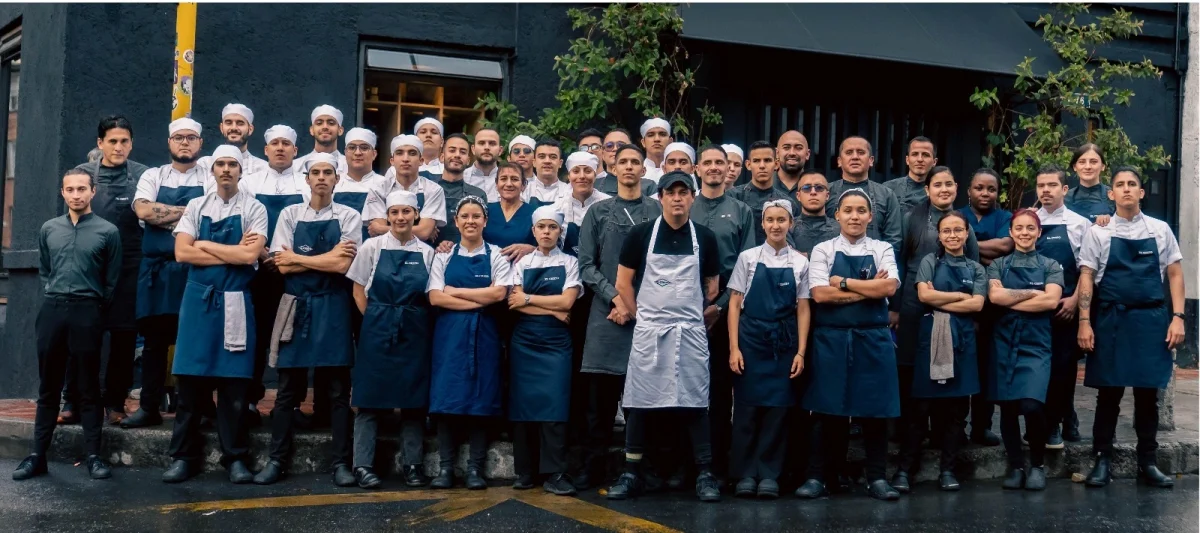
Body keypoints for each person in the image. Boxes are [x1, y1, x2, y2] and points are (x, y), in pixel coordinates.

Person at [606, 170, 723, 503]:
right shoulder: (640, 235)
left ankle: (704, 474)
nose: (676, 198)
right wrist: (643, 317)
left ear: (692, 198)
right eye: (670, 192)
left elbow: (712, 288)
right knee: (640, 404)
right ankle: (631, 474)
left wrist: (687, 316)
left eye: (683, 192)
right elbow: (623, 284)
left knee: (696, 404)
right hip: (650, 332)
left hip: (690, 333)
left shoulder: (706, 238)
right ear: (660, 197)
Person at [162, 145, 269, 484]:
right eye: (220, 164)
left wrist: (204, 245)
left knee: (234, 388)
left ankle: (235, 458)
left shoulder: (255, 208)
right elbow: (181, 252)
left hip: (236, 301)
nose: (225, 169)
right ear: (212, 170)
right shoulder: (196, 206)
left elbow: (251, 254)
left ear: (241, 171)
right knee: (190, 385)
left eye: (232, 165)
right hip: (198, 303)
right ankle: (183, 457)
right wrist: (233, 253)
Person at [254, 153, 362, 487]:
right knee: (287, 390)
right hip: (297, 306)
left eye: (327, 172)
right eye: (315, 172)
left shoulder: (349, 216)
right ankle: (276, 460)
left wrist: (299, 258)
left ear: (336, 179)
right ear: (307, 179)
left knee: (338, 391)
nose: (321, 178)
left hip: (334, 307)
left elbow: (344, 267)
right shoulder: (289, 214)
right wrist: (325, 259)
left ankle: (342, 463)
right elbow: (281, 266)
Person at [1077, 167, 1184, 489]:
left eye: (1132, 184)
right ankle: (1102, 461)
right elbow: (1086, 277)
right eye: (1119, 185)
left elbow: (1176, 275)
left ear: (1141, 192)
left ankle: (1148, 464)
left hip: (1151, 320)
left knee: (1147, 394)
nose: (1126, 189)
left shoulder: (1161, 230)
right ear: (1110, 194)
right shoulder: (1099, 233)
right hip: (1111, 319)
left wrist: (1178, 317)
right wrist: (1085, 321)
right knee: (1109, 395)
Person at [13, 170, 121, 481]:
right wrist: (54, 295)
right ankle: (37, 456)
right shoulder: (49, 229)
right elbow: (45, 270)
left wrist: (93, 308)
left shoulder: (107, 232)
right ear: (63, 192)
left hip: (88, 310)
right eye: (70, 189)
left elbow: (112, 281)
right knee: (48, 387)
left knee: (88, 386)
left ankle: (93, 457)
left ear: (92, 191)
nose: (76, 194)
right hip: (53, 310)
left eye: (82, 189)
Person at [796, 188, 900, 502]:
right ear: (837, 215)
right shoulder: (823, 249)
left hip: (874, 339)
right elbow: (819, 295)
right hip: (831, 339)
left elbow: (890, 287)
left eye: (861, 211)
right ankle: (819, 477)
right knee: (827, 410)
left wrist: (842, 282)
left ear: (870, 216)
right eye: (848, 210)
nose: (854, 216)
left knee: (875, 412)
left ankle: (878, 478)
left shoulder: (883, 247)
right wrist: (869, 290)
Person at [576, 144, 662, 489]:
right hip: (604, 315)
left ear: (644, 170)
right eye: (623, 161)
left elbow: (663, 264)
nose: (628, 167)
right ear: (612, 168)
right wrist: (616, 298)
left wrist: (636, 306)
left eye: (635, 162)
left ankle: (642, 470)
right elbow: (586, 265)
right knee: (599, 402)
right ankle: (591, 467)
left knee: (644, 403)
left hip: (648, 315)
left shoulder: (657, 211)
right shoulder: (598, 212)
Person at [346, 190, 435, 490]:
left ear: (416, 216)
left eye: (406, 212)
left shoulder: (427, 252)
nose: (400, 218)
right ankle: (362, 465)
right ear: (387, 216)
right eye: (395, 212)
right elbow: (358, 291)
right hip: (377, 328)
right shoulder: (371, 247)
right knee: (368, 400)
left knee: (413, 402)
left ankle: (413, 465)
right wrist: (374, 319)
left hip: (414, 329)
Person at [122, 118, 208, 429]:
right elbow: (143, 211)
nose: (185, 142)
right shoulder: (152, 175)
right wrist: (192, 212)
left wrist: (168, 215)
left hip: (196, 269)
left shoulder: (210, 176)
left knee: (195, 339)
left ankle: (197, 407)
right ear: (169, 143)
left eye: (191, 137)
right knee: (155, 342)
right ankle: (149, 407)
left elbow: (213, 215)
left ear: (200, 143)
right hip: (156, 271)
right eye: (179, 138)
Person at [891, 211, 986, 494]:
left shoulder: (977, 269)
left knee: (956, 411)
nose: (953, 235)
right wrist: (960, 297)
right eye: (947, 231)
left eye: (958, 230)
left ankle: (948, 469)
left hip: (963, 342)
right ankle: (905, 471)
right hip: (931, 338)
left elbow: (978, 305)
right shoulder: (929, 262)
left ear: (967, 233)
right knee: (920, 410)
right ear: (939, 235)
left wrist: (942, 300)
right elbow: (924, 296)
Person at [726, 199, 811, 500]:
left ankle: (770, 474)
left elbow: (803, 308)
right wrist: (734, 348)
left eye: (781, 220)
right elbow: (735, 304)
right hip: (751, 338)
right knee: (747, 409)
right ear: (762, 224)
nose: (776, 225)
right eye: (770, 220)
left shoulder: (801, 263)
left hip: (784, 342)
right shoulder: (748, 258)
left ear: (791, 223)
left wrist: (800, 351)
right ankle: (745, 474)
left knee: (778, 411)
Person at [427, 196, 513, 490]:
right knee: (447, 399)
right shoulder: (443, 257)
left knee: (481, 399)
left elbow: (499, 295)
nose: (471, 221)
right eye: (465, 216)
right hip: (449, 336)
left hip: (485, 335)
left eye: (477, 216)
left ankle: (476, 469)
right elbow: (435, 297)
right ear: (456, 221)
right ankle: (445, 469)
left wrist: (456, 292)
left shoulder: (498, 255)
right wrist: (478, 298)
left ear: (485, 221)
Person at [893, 167, 979, 446]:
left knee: (951, 366)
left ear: (956, 187)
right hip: (913, 300)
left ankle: (947, 432)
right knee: (910, 367)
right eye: (937, 184)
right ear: (927, 189)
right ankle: (911, 430)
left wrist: (968, 304)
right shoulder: (911, 218)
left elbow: (974, 262)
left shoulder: (964, 222)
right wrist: (895, 307)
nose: (944, 189)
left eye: (949, 184)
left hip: (954, 307)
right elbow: (900, 261)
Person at [71, 116, 148, 426]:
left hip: (130, 265)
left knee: (124, 337)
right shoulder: (83, 174)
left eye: (124, 141)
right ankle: (74, 401)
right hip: (89, 266)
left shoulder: (143, 175)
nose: (119, 147)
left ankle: (115, 402)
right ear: (100, 143)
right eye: (112, 141)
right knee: (81, 337)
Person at [690, 145, 756, 482]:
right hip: (685, 313)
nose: (715, 168)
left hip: (726, 313)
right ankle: (684, 466)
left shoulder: (742, 211)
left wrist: (719, 307)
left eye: (721, 163)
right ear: (697, 168)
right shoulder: (686, 205)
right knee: (684, 391)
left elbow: (747, 268)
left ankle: (717, 467)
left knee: (719, 392)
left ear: (730, 168)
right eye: (709, 163)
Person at [508, 206, 583, 496]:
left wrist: (530, 299)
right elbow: (513, 302)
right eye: (542, 227)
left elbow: (568, 303)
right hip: (525, 339)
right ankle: (524, 472)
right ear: (534, 231)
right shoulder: (523, 261)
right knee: (522, 405)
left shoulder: (570, 262)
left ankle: (555, 473)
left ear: (560, 232)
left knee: (555, 406)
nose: (547, 232)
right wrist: (550, 309)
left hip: (556, 343)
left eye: (553, 227)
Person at [986, 209, 1062, 491]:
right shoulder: (998, 265)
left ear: (1039, 232)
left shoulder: (1051, 265)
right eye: (1019, 228)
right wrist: (1034, 293)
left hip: (1036, 341)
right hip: (1004, 339)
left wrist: (1010, 298)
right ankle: (1017, 466)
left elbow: (1051, 302)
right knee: (1007, 407)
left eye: (1031, 228)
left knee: (1031, 405)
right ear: (1011, 231)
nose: (1025, 233)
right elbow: (994, 296)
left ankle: (1038, 465)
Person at [241, 125, 310, 425]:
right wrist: (262, 253)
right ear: (265, 149)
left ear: (296, 150)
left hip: (294, 271)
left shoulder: (307, 185)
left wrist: (285, 259)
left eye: (286, 144)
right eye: (274, 144)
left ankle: (291, 403)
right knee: (254, 336)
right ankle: (250, 400)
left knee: (291, 338)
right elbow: (243, 222)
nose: (280, 148)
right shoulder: (249, 182)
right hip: (257, 270)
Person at [1034, 165, 1090, 448]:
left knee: (1064, 370)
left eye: (1052, 185)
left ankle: (1060, 420)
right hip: (1035, 309)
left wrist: (1074, 301)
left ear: (1064, 189)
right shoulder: (1029, 220)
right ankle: (1052, 421)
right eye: (1041, 185)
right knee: (1040, 369)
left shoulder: (1080, 224)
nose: (1046, 190)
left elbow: (1088, 270)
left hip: (1066, 308)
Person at [960, 168, 1011, 447]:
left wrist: (967, 246)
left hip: (993, 306)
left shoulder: (1005, 218)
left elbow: (1006, 245)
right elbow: (947, 242)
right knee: (958, 363)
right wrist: (983, 252)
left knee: (987, 365)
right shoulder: (957, 215)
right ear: (969, 190)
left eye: (991, 189)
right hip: (959, 300)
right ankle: (955, 427)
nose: (985, 193)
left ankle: (982, 426)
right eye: (979, 188)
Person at [825, 137, 903, 254]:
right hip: (831, 265)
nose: (855, 157)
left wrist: (880, 265)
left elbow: (894, 240)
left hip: (875, 267)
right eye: (849, 152)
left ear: (871, 160)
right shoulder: (825, 192)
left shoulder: (886, 195)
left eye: (861, 152)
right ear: (839, 161)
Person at [364, 134, 447, 243]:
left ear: (421, 160)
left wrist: (382, 229)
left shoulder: (434, 190)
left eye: (412, 153)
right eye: (399, 153)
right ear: (392, 161)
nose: (405, 159)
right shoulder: (378, 190)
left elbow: (424, 232)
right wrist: (419, 230)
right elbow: (378, 236)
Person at [432, 133, 487, 249]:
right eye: (452, 150)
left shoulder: (478, 195)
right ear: (442, 157)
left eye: (462, 152)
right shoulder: (428, 189)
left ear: (468, 160)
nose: (457, 155)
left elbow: (480, 234)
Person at [552, 152, 611, 258]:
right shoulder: (557, 208)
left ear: (595, 175)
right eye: (576, 171)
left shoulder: (609, 205)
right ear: (569, 176)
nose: (582, 176)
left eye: (588, 171)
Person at [729, 141, 789, 244]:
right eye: (756, 161)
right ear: (748, 164)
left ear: (776, 164)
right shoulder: (732, 197)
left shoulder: (787, 202)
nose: (762, 166)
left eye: (767, 160)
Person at [333, 127, 384, 242]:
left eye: (364, 148)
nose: (357, 153)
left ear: (374, 154)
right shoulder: (333, 184)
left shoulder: (385, 184)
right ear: (345, 153)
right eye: (352, 148)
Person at [481, 162, 537, 263]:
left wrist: (532, 249)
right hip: (487, 269)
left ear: (523, 185)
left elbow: (548, 248)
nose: (509, 184)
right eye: (503, 179)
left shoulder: (534, 214)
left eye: (514, 179)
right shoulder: (485, 211)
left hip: (522, 271)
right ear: (496, 184)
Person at [196, 103, 268, 176]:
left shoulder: (262, 169)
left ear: (250, 129)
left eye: (240, 123)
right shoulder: (204, 165)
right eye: (228, 123)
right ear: (221, 128)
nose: (234, 128)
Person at [787, 171, 840, 256]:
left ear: (827, 195)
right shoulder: (788, 228)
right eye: (806, 188)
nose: (813, 192)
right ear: (798, 196)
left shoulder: (840, 230)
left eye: (819, 188)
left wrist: (805, 256)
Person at [595, 128, 656, 197]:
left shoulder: (648, 186)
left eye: (621, 145)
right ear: (603, 155)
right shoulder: (593, 186)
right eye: (609, 146)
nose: (615, 149)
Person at [883, 137, 936, 212]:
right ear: (907, 160)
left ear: (934, 162)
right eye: (915, 154)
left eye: (925, 155)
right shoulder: (888, 189)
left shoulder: (938, 191)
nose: (920, 159)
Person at [1065, 143, 1114, 224]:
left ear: (1103, 166)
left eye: (1093, 162)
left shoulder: (1113, 196)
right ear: (1074, 167)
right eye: (1082, 162)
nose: (1088, 167)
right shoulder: (1065, 197)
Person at [292, 104, 348, 174]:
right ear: (312, 130)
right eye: (319, 123)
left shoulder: (350, 167)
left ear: (340, 130)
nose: (325, 127)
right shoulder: (295, 167)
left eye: (331, 123)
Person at [772, 131, 811, 213]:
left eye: (798, 148)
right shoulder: (764, 186)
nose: (792, 153)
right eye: (786, 148)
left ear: (807, 154)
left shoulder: (817, 189)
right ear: (777, 153)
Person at [523, 139, 570, 205]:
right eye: (542, 157)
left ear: (560, 163)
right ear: (534, 162)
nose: (547, 161)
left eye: (553, 157)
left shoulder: (570, 192)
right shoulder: (523, 191)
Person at [462, 128, 502, 202]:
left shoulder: (508, 181)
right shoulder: (461, 178)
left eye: (492, 143)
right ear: (473, 149)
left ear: (500, 150)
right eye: (481, 143)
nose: (487, 147)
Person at [639, 118, 672, 182]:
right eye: (650, 135)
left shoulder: (677, 170)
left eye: (662, 134)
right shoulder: (636, 170)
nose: (657, 139)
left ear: (670, 141)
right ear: (643, 142)